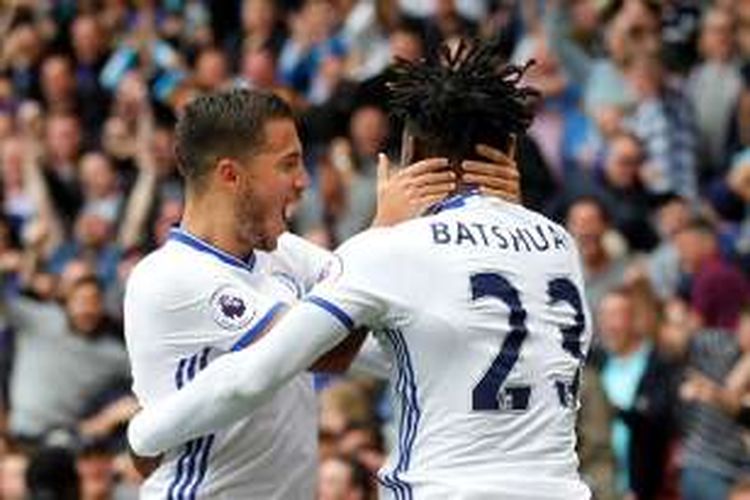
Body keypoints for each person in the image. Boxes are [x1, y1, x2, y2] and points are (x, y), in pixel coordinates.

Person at [128, 40, 593, 499]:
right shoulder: (558, 243)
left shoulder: (365, 253)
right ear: (510, 150)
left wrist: (141, 434)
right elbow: (343, 345)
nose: (304, 180)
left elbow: (331, 344)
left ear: (410, 148)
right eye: (289, 164)